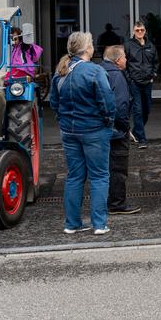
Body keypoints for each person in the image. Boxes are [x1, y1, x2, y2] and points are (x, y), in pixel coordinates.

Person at [50, 32, 116, 236]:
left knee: (74, 177)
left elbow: (54, 103)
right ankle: (99, 224)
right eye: (92, 44)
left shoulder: (61, 71)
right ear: (88, 49)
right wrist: (108, 122)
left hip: (69, 131)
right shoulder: (94, 71)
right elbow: (108, 102)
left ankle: (72, 224)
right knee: (99, 176)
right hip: (94, 130)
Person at [101, 46, 141, 215]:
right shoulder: (117, 75)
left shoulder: (100, 71)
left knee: (104, 168)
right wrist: (125, 128)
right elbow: (120, 106)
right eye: (124, 57)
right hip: (116, 131)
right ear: (117, 61)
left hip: (101, 129)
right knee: (118, 168)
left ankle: (105, 202)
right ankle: (117, 204)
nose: (126, 60)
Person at [125, 21, 158, 150]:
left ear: (145, 31)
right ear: (133, 31)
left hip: (147, 83)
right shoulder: (128, 45)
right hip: (135, 83)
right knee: (137, 111)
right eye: (137, 30)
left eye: (142, 30)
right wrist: (129, 78)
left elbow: (156, 62)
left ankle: (136, 132)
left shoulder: (150, 45)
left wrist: (153, 75)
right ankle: (142, 139)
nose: (139, 32)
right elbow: (123, 63)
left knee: (147, 110)